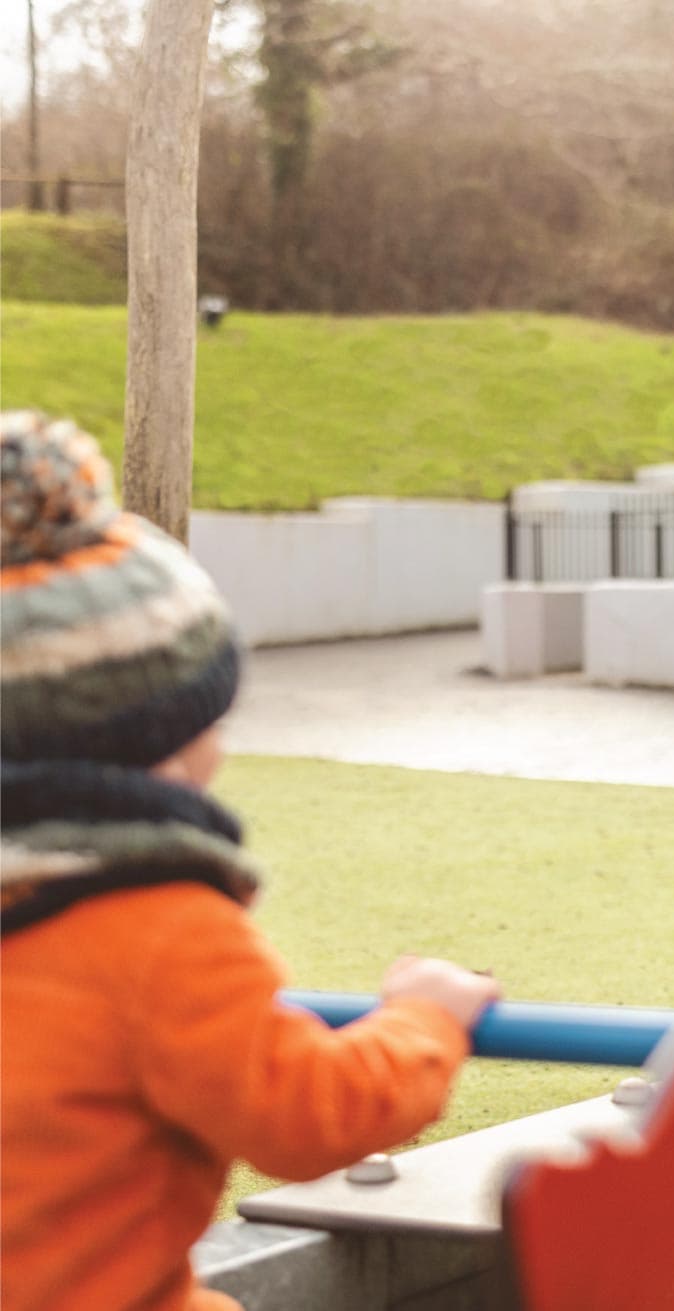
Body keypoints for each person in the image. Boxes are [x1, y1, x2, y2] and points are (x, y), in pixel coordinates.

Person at [0, 412, 502, 1311]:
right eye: (209, 721)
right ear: (143, 746)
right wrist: (427, 1019)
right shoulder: (156, 930)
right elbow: (309, 1111)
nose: (222, 748)